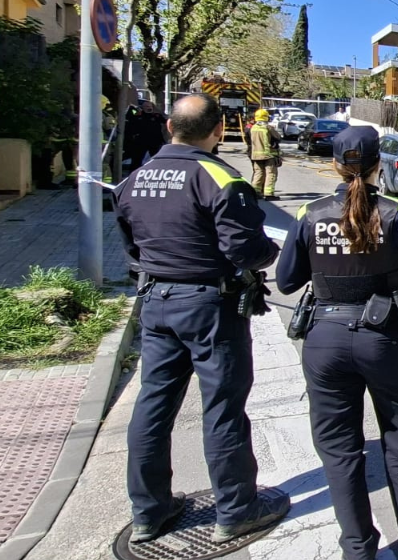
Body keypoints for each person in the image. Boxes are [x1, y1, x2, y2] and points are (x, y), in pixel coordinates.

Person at [113, 93, 290, 545]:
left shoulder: (136, 177)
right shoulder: (217, 176)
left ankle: (149, 512)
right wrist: (270, 251)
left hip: (156, 300)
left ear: (170, 127)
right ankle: (236, 510)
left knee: (153, 404)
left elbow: (131, 246)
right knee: (224, 408)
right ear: (218, 131)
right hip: (210, 305)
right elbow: (245, 249)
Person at [276, 126, 398, 560]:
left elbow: (287, 280)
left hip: (325, 341)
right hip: (386, 340)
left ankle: (358, 546)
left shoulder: (309, 213)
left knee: (339, 449)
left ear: (334, 164)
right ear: (377, 166)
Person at [246, 109, 282, 200]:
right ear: (266, 117)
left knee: (259, 173)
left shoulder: (252, 128)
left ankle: (255, 193)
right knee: (271, 173)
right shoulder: (268, 127)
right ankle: (269, 194)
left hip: (256, 155)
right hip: (268, 155)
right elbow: (278, 137)